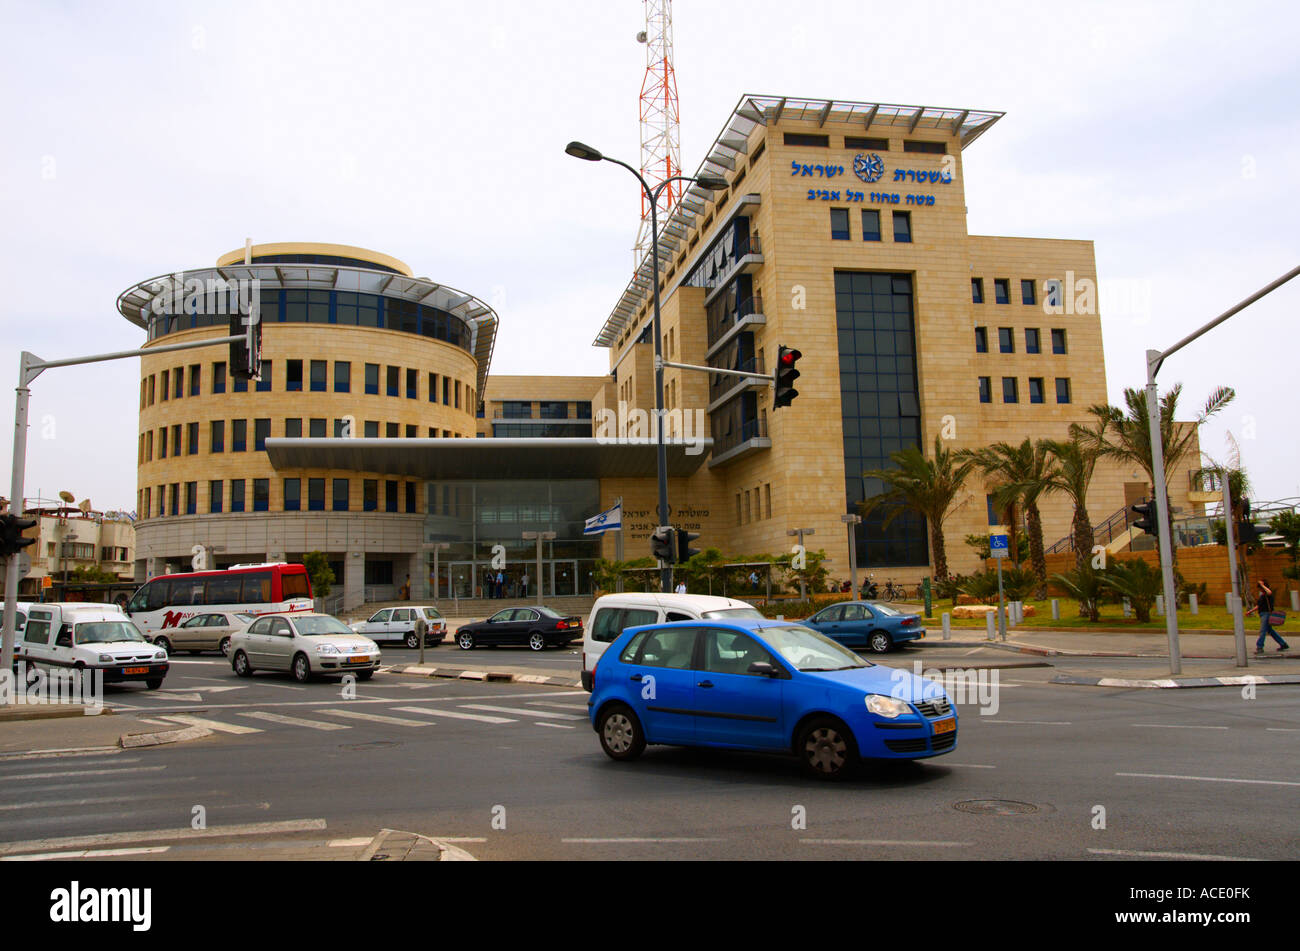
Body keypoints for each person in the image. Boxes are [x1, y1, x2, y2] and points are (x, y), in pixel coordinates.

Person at [1246, 578, 1289, 654]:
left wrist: (1262, 585)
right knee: (1270, 631)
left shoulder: (1268, 594)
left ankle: (1259, 647)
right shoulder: (1262, 596)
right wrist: (1250, 611)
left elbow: (1269, 592)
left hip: (1266, 614)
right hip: (1263, 614)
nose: (1259, 588)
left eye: (1260, 587)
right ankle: (1283, 644)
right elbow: (1259, 605)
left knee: (1262, 631)